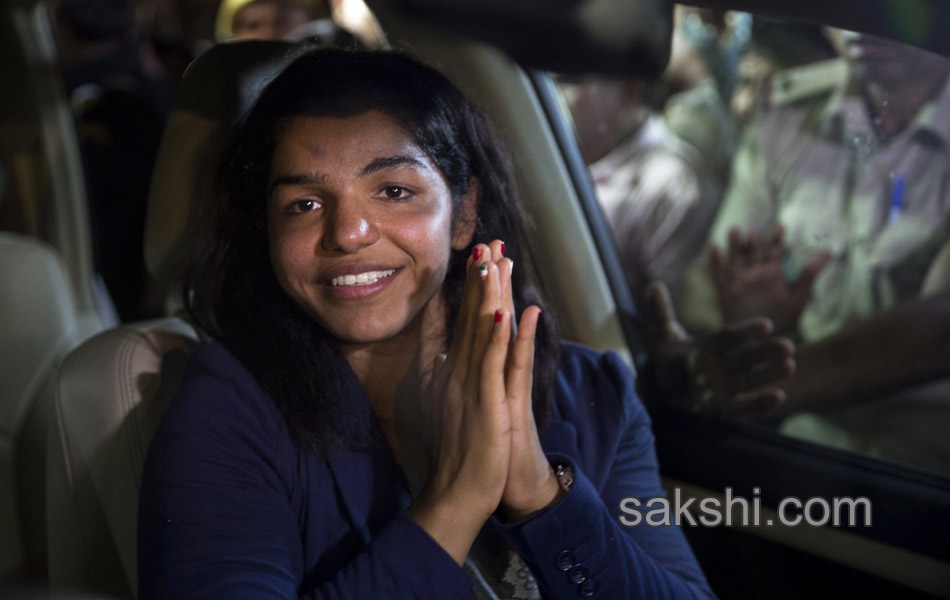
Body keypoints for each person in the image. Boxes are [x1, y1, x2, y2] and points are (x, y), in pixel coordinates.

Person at [137, 49, 716, 598]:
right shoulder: (232, 408)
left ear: (463, 214)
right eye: (304, 204)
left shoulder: (593, 394)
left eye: (393, 191)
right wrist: (457, 499)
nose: (347, 233)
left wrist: (540, 493)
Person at [671, 29, 950, 471]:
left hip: (924, 473)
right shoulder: (790, 114)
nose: (864, 19)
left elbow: (940, 328)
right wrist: (750, 326)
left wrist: (745, 383)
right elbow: (711, 278)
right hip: (797, 447)